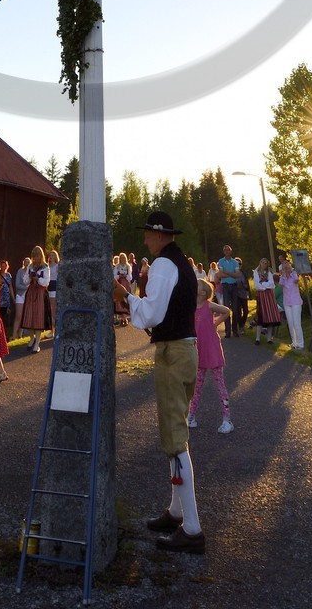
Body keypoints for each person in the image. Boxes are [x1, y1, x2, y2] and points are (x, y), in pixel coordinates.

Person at [127, 210, 203, 555]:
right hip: (185, 349)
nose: (144, 239)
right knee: (177, 430)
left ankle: (192, 527)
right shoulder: (181, 263)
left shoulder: (162, 265)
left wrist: (125, 298)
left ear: (159, 236)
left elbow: (152, 313)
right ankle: (175, 513)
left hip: (173, 352)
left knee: (175, 437)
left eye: (147, 233)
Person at [186, 280, 232, 432]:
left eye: (197, 285)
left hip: (212, 349)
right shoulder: (191, 307)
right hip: (198, 350)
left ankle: (227, 419)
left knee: (220, 384)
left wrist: (216, 323)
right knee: (196, 386)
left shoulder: (209, 305)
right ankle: (191, 416)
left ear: (204, 292)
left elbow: (226, 311)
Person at [20, 247, 51, 351]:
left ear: (41, 256)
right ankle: (31, 338)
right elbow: (25, 281)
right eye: (34, 256)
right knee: (29, 316)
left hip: (41, 293)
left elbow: (46, 282)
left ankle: (37, 342)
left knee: (38, 317)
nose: (36, 258)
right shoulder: (30, 266)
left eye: (38, 256)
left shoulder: (45, 267)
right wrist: (30, 277)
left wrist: (38, 279)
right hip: (31, 293)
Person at [216, 246, 243, 338]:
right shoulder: (221, 261)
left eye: (228, 250)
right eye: (225, 250)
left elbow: (238, 275)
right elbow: (220, 274)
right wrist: (231, 274)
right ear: (223, 252)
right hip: (225, 286)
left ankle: (234, 330)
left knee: (235, 308)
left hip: (234, 286)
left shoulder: (235, 262)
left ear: (230, 252)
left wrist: (226, 273)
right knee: (226, 308)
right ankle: (228, 331)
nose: (226, 251)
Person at [279, 257, 304, 350]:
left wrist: (291, 272)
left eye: (287, 266)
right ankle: (294, 342)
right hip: (287, 302)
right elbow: (281, 284)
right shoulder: (283, 277)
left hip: (296, 302)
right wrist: (283, 274)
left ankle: (300, 344)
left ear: (289, 266)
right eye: (284, 267)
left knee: (297, 323)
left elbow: (296, 280)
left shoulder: (294, 274)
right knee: (290, 323)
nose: (285, 268)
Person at [252, 259, 280, 343]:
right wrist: (264, 286)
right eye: (262, 263)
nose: (264, 264)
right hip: (261, 295)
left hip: (269, 295)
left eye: (266, 263)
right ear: (260, 263)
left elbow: (271, 283)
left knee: (270, 315)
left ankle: (269, 338)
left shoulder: (269, 272)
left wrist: (264, 285)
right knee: (261, 315)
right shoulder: (256, 272)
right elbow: (257, 285)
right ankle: (257, 338)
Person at [12, 256, 31, 340]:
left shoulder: (31, 273)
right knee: (18, 315)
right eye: (25, 262)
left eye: (28, 262)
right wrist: (26, 287)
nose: (27, 264)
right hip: (20, 295)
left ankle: (20, 334)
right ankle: (14, 334)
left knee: (24, 315)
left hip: (28, 296)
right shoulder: (20, 271)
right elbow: (17, 285)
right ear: (24, 263)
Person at [47, 248, 60, 333]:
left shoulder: (57, 266)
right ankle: (51, 328)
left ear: (55, 257)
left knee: (53, 308)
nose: (51, 257)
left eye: (53, 256)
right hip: (47, 286)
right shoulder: (46, 266)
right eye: (50, 256)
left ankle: (54, 329)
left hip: (54, 285)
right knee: (48, 308)